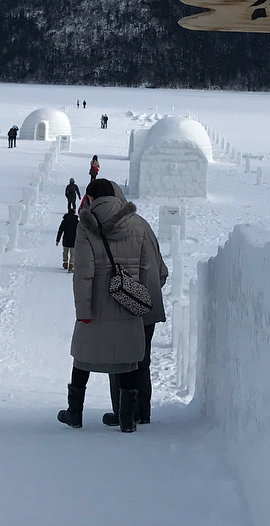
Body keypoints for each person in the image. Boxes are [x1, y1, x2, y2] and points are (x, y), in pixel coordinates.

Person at [56, 178, 163, 433]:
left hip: (96, 304)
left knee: (82, 358)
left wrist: (83, 311)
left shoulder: (87, 225)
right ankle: (127, 419)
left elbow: (83, 273)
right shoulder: (137, 223)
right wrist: (140, 299)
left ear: (91, 198)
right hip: (127, 302)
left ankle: (74, 413)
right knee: (127, 359)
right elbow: (145, 267)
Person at [99, 181, 168, 427]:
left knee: (119, 357)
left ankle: (123, 410)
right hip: (147, 303)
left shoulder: (111, 228)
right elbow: (162, 271)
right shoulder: (143, 224)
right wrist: (147, 294)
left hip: (123, 303)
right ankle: (143, 411)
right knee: (142, 359)